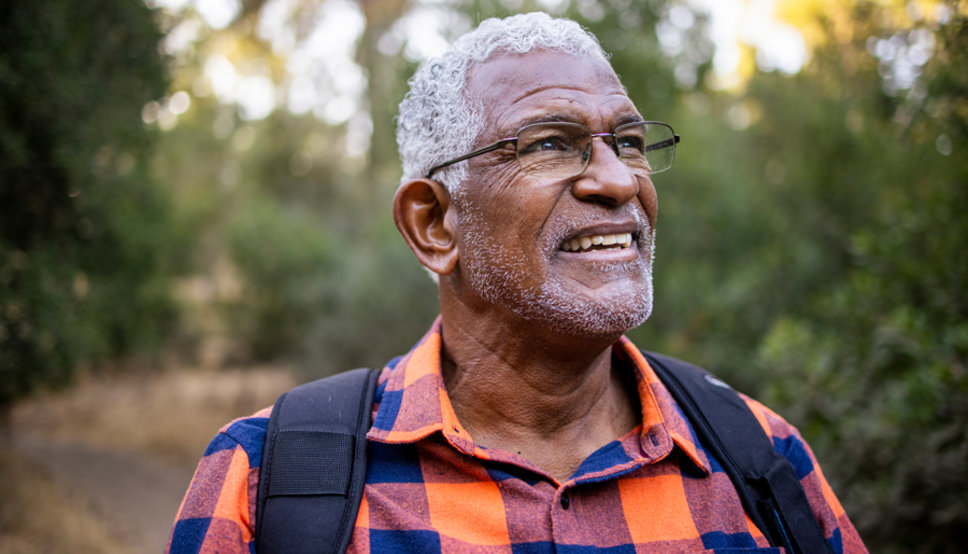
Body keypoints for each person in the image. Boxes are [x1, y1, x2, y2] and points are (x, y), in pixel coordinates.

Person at [167, 12, 867, 553]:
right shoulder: (264, 482)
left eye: (628, 142)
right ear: (435, 224)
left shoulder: (760, 459)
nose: (619, 179)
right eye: (549, 143)